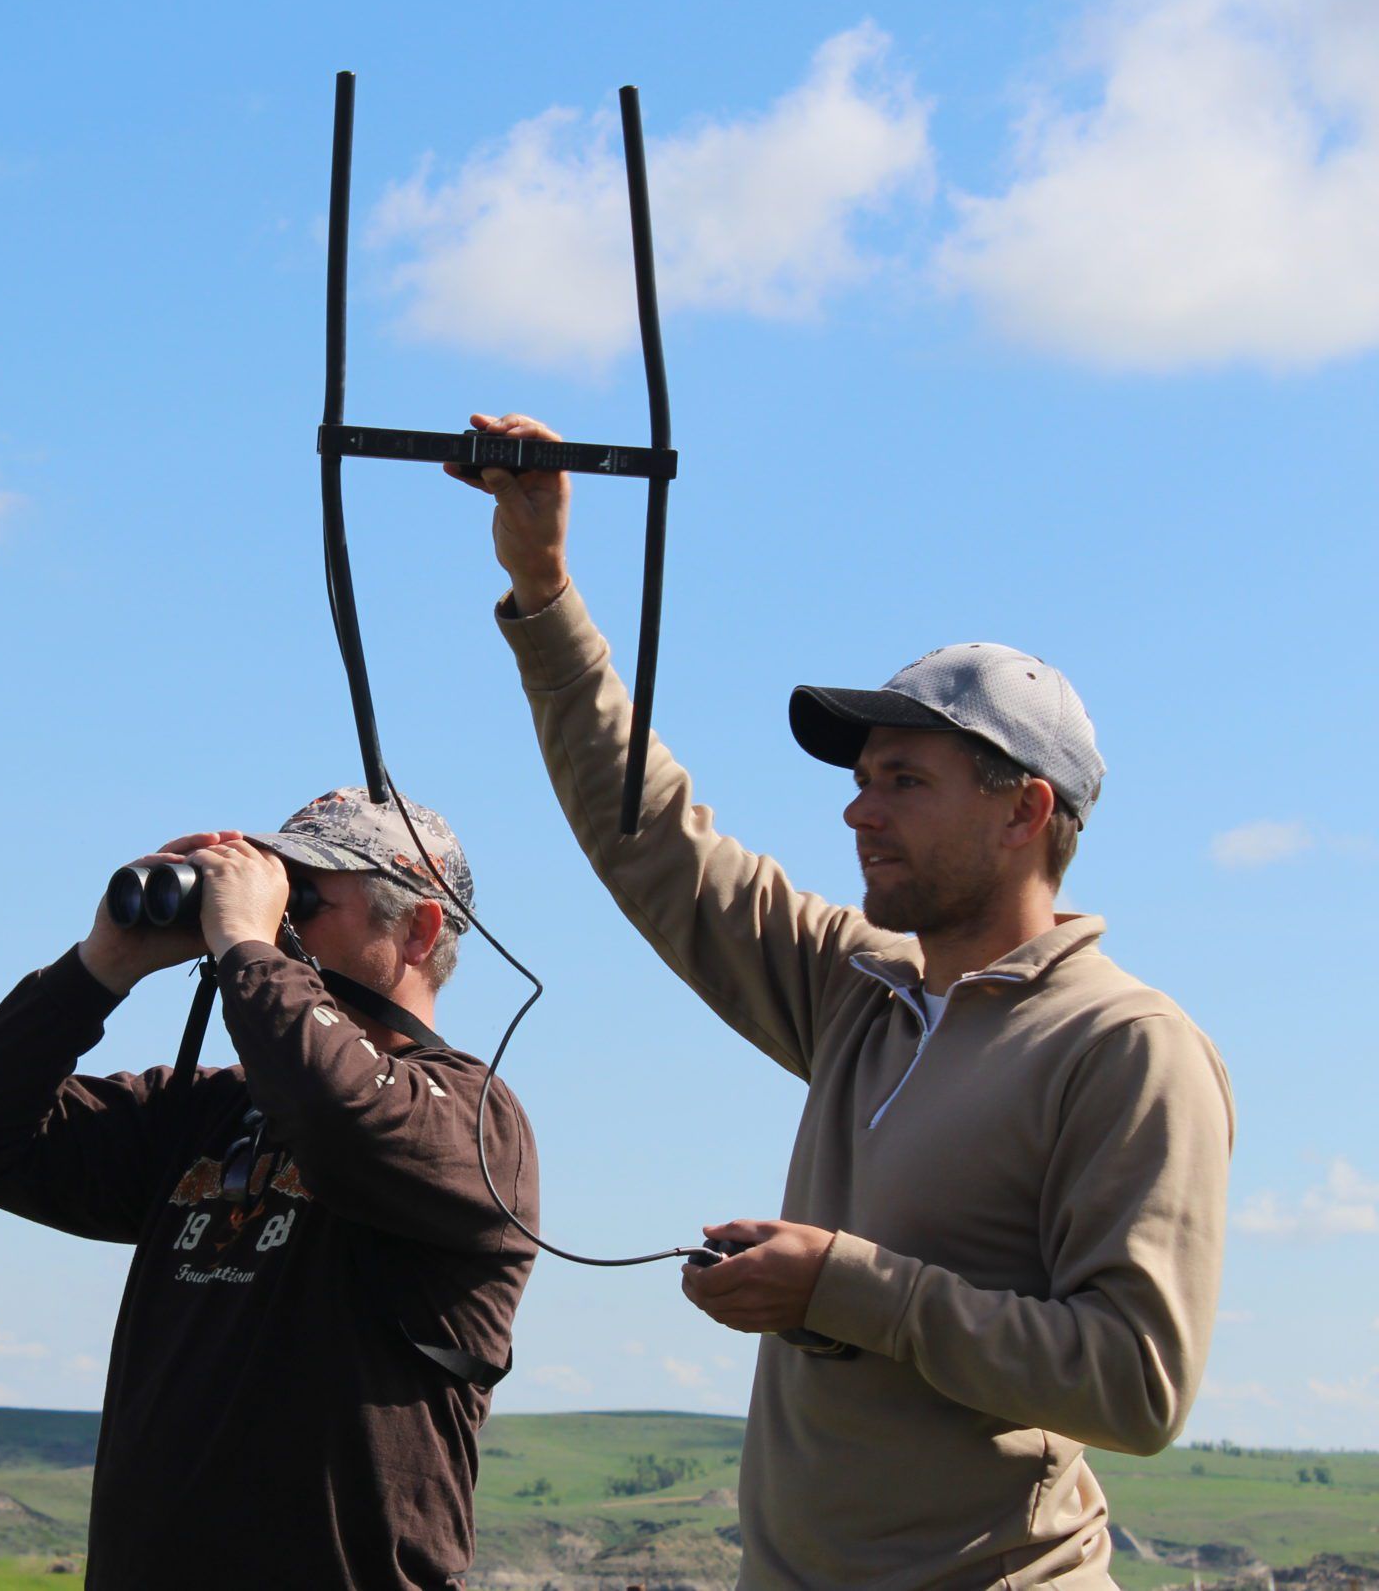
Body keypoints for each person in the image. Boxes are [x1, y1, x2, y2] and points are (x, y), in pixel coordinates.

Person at [452, 412, 1234, 1588]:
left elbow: (1136, 1384)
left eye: (903, 782)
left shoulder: (1124, 1047)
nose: (858, 813)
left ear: (1024, 812)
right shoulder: (857, 985)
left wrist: (842, 1287)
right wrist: (544, 587)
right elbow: (653, 840)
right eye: (862, 781)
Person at [0, 791, 537, 1591]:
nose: (278, 922)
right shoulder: (205, 1113)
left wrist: (244, 942)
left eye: (302, 898)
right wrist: (103, 965)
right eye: (274, 893)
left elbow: (334, 1109)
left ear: (418, 929)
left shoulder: (475, 1125)